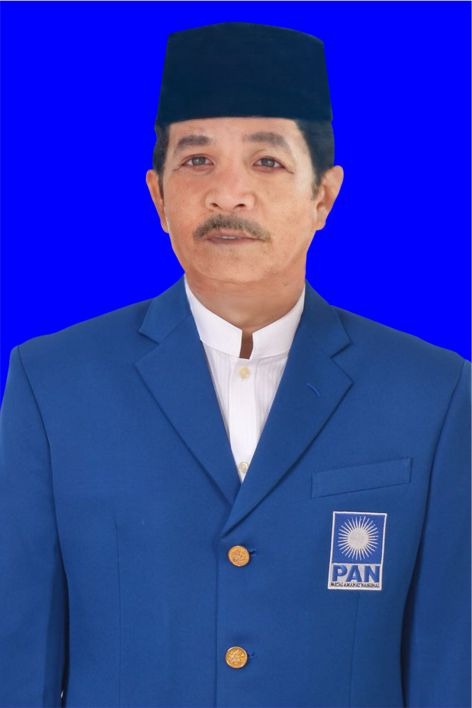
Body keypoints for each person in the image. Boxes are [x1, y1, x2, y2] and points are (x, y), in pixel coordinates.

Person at [0, 21, 469, 708]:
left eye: (267, 161)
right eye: (197, 160)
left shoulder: (431, 394)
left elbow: (450, 667)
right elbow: (18, 662)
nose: (228, 194)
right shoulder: (54, 384)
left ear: (324, 196)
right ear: (159, 197)